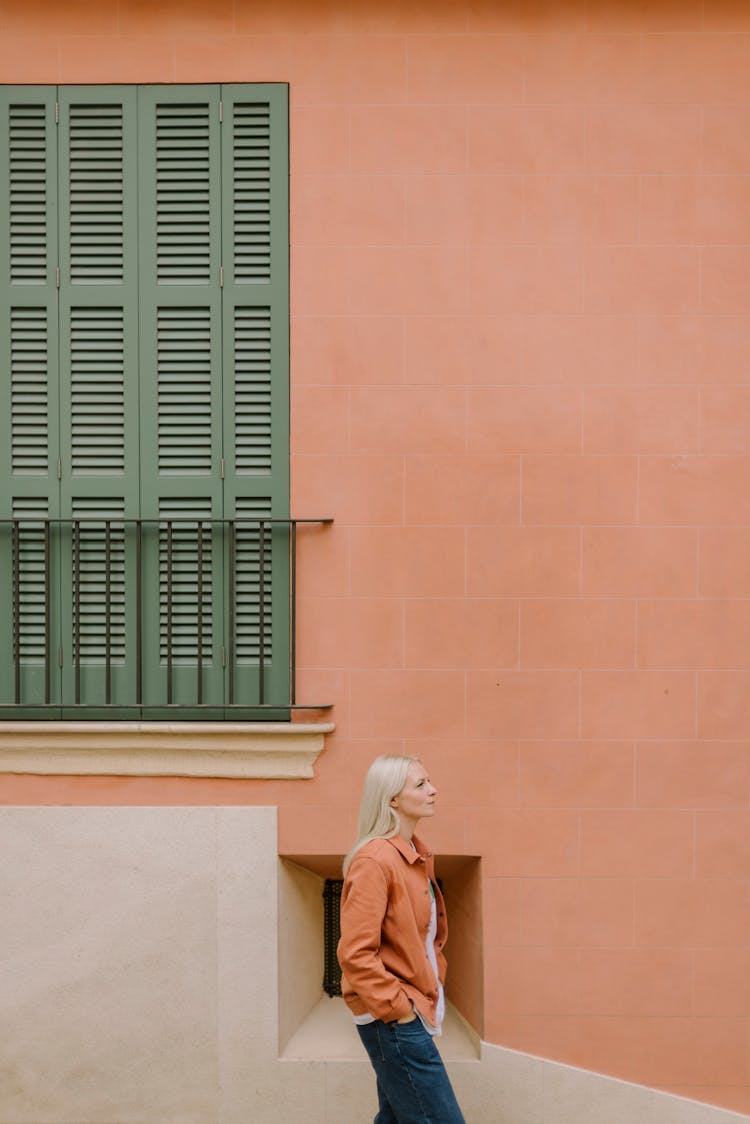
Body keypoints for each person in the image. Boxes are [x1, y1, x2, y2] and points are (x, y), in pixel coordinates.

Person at [337, 754, 466, 1124]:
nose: (433, 789)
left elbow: (425, 938)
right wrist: (400, 1010)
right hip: (393, 1019)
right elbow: (356, 953)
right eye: (421, 784)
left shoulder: (413, 854)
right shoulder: (375, 861)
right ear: (393, 798)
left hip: (410, 1010)